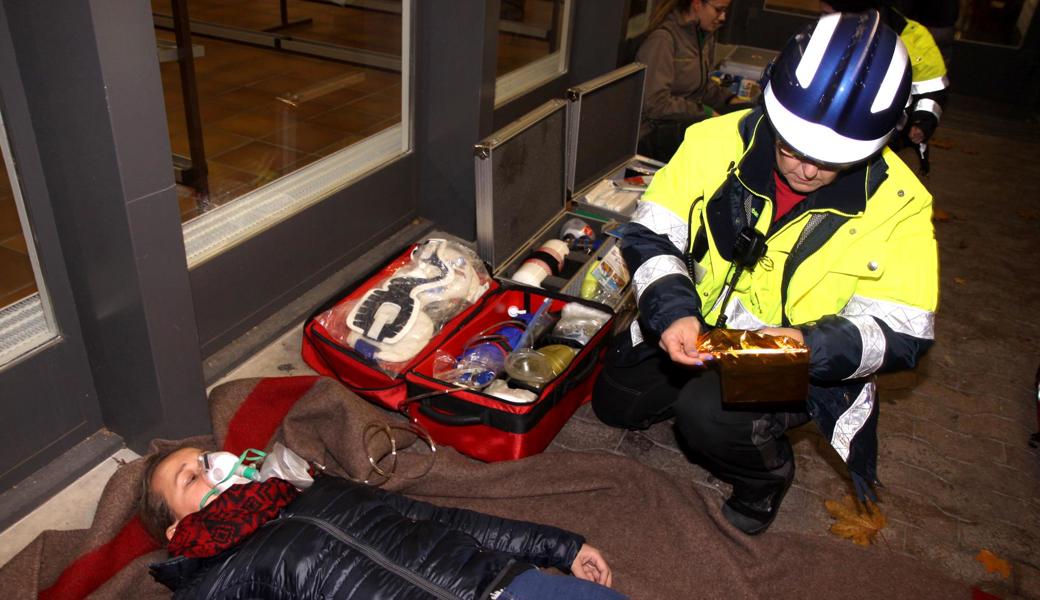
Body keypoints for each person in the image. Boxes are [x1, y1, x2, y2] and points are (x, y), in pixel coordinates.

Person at [592, 11, 938, 536]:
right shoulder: (712, 140)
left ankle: (764, 479)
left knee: (705, 416)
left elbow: (906, 331)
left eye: (831, 162)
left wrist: (802, 345)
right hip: (697, 324)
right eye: (792, 148)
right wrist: (673, 313)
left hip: (791, 355)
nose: (806, 170)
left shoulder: (901, 204)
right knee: (615, 403)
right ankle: (699, 393)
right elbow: (651, 234)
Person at [141, 446, 625, 599]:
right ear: (174, 528)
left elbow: (440, 518)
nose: (213, 468)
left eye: (206, 458)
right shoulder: (216, 582)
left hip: (504, 586)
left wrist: (562, 548)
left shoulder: (315, 488)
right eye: (192, 477)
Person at [821, 0, 949, 172]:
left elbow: (931, 85)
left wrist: (922, 121)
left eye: (830, 14)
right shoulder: (827, 31)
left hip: (883, 135)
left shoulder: (913, 37)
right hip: (827, 129)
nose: (825, 19)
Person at [635, 0, 743, 162]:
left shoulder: (701, 36)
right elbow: (655, 104)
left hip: (687, 117)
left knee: (746, 113)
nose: (723, 17)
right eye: (719, 10)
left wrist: (730, 99)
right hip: (654, 130)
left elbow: (701, 87)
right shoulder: (663, 39)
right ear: (697, 4)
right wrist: (704, 113)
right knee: (723, 141)